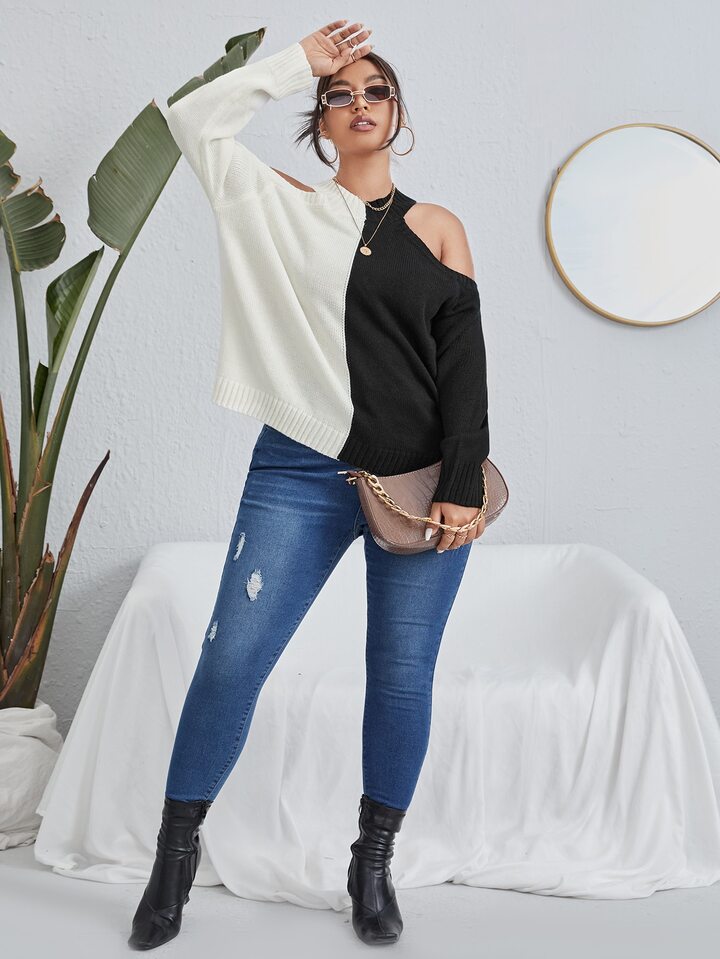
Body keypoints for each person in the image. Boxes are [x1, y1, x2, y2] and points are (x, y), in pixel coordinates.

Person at [128, 18, 490, 951]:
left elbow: (464, 369)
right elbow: (191, 120)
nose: (359, 103)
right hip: (298, 467)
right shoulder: (280, 205)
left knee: (401, 676)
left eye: (376, 91)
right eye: (341, 95)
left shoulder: (438, 228)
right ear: (320, 122)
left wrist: (461, 481)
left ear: (398, 114)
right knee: (231, 662)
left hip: (419, 478)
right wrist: (299, 63)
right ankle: (173, 862)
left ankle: (372, 865)